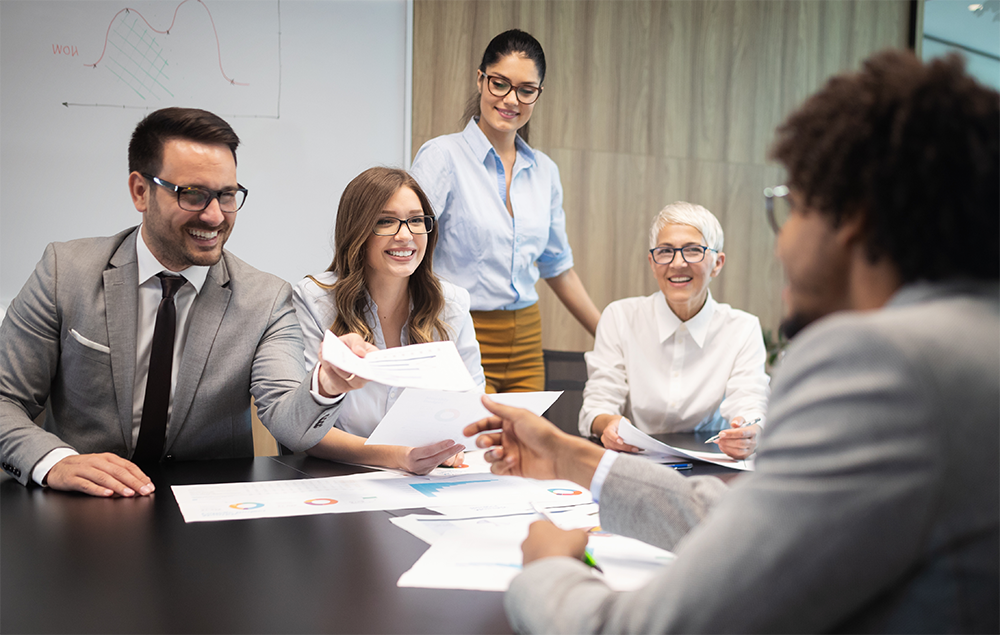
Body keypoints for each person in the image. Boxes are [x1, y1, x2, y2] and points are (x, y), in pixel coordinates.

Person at [464, 50, 1000, 633]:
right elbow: (758, 522)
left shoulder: (883, 367)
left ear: (854, 218)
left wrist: (544, 570)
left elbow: (645, 627)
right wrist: (572, 456)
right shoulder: (970, 344)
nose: (782, 242)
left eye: (790, 206)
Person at [0, 107, 354, 498]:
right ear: (140, 191)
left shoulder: (266, 299)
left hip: (213, 514)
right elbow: (4, 399)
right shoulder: (64, 273)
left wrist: (326, 384)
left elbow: (290, 425)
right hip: (84, 509)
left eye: (227, 195)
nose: (215, 216)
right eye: (193, 195)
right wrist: (54, 462)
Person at [410, 29, 601, 393]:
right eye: (500, 83)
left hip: (526, 340)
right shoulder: (442, 156)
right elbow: (407, 250)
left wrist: (611, 337)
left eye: (526, 90)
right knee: (468, 445)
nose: (511, 99)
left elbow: (557, 267)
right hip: (457, 330)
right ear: (481, 79)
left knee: (522, 448)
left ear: (538, 94)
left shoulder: (545, 170)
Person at [293, 167, 485, 475]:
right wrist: (399, 456)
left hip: (429, 482)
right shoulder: (314, 299)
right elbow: (303, 428)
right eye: (386, 221)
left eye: (416, 220)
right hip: (340, 480)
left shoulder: (453, 303)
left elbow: (471, 413)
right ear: (358, 230)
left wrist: (446, 449)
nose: (405, 235)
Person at [580, 201, 769, 460]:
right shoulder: (620, 317)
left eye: (693, 250)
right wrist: (608, 424)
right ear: (651, 261)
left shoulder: (742, 328)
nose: (678, 263)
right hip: (635, 462)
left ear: (717, 263)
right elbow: (598, 403)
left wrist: (749, 432)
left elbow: (750, 403)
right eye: (665, 251)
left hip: (711, 465)